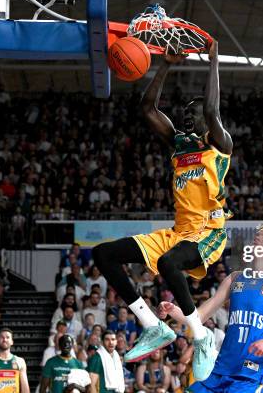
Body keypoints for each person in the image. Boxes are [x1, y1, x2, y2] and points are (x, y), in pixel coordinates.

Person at [91, 40, 232, 381]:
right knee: (103, 254)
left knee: (170, 263)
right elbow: (148, 108)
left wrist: (213, 63)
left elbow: (212, 111)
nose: (187, 115)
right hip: (177, 231)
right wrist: (166, 64)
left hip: (208, 233)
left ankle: (201, 337)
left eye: (192, 112)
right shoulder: (177, 147)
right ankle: (152, 325)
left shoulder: (220, 145)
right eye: (185, 112)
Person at [158, 219, 263, 393]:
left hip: (250, 376)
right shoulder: (234, 278)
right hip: (219, 370)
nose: (258, 237)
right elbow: (199, 316)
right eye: (258, 234)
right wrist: (174, 310)